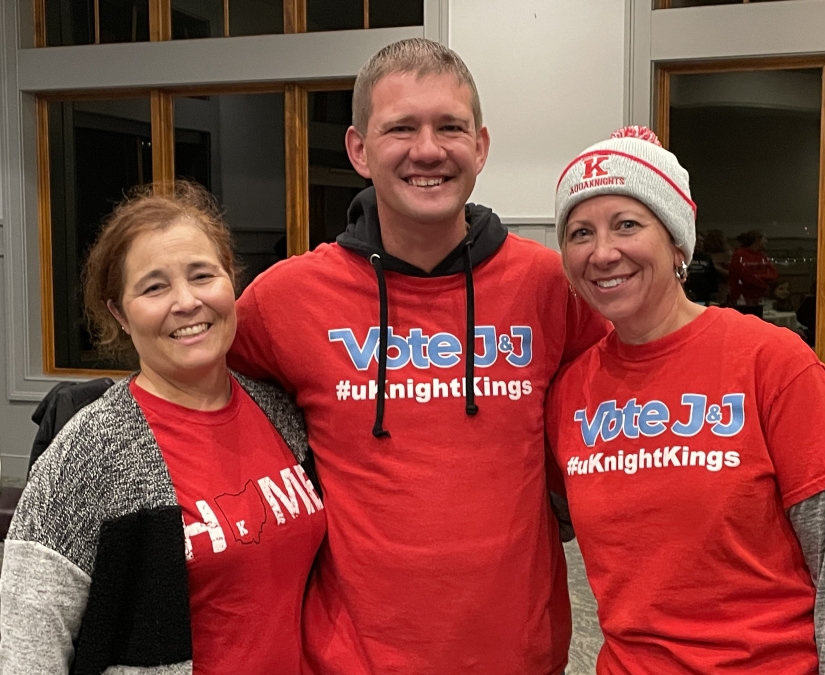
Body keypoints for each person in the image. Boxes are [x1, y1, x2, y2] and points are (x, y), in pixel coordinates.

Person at [228, 38, 608, 675]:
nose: (427, 150)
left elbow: (628, 391)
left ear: (480, 147)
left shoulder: (550, 286)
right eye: (401, 128)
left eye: (450, 128)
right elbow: (194, 392)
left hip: (518, 656)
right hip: (349, 660)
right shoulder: (286, 298)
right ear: (358, 150)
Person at [548, 126, 825, 675]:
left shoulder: (773, 363)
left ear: (675, 240)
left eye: (627, 225)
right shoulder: (570, 393)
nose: (602, 252)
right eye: (579, 233)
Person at [0, 182, 325, 675]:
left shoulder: (279, 411)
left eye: (202, 275)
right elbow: (28, 651)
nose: (187, 302)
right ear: (119, 314)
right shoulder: (87, 456)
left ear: (230, 281)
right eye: (154, 287)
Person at [728, 228, 778, 305]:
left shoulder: (762, 256)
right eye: (764, 239)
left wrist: (758, 277)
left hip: (761, 295)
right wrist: (763, 281)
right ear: (757, 240)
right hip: (743, 296)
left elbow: (774, 274)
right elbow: (744, 276)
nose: (766, 241)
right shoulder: (739, 254)